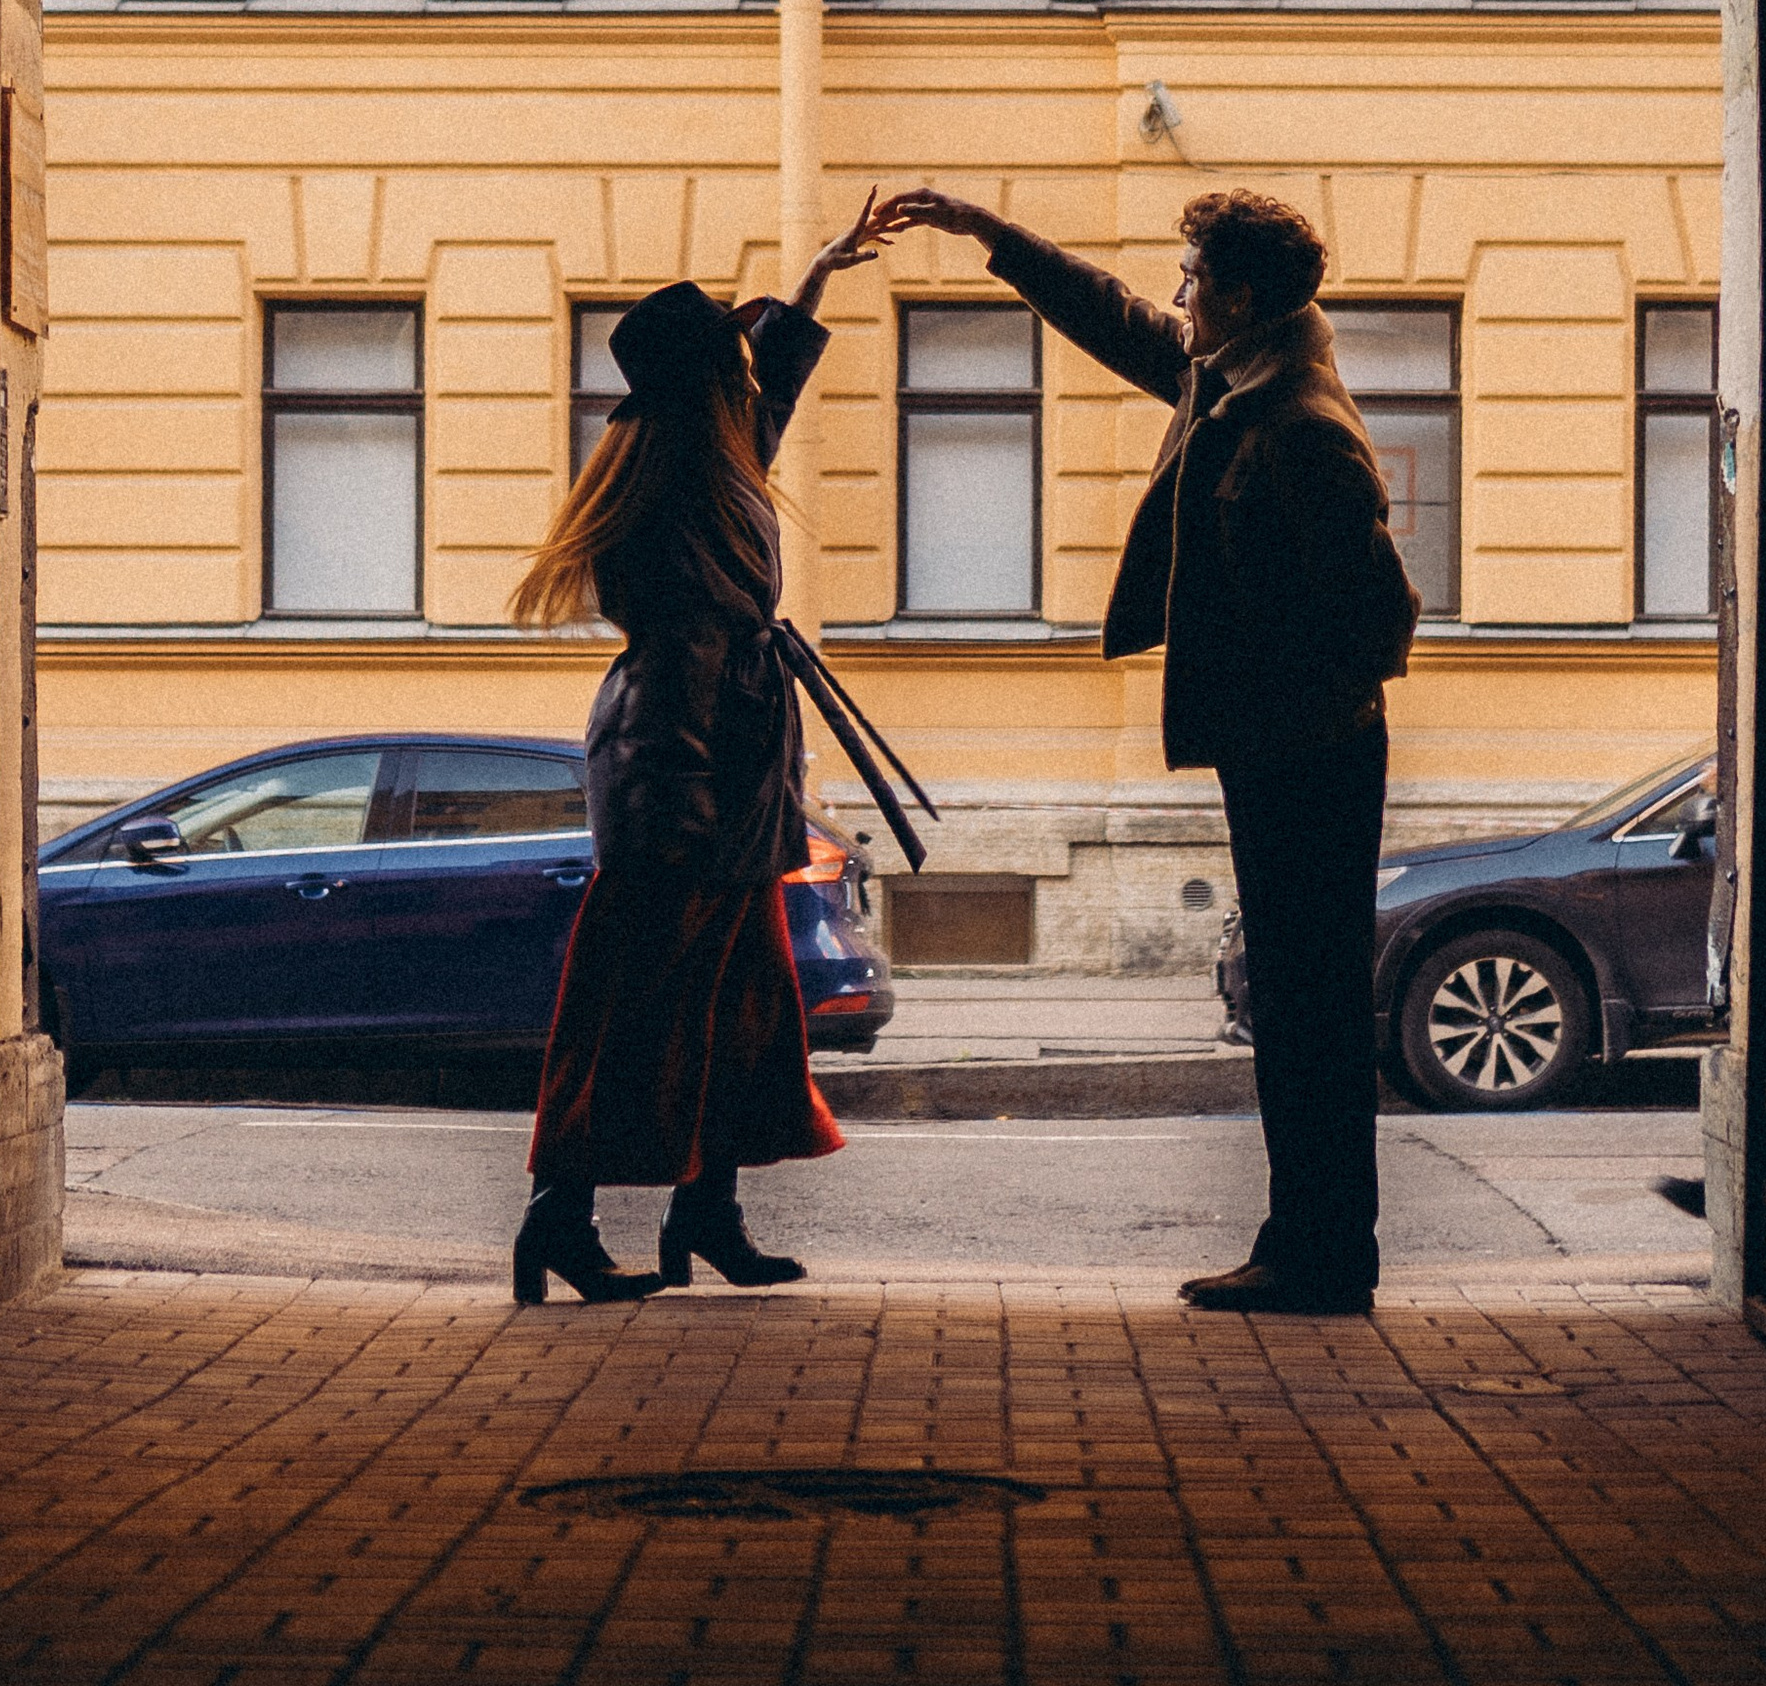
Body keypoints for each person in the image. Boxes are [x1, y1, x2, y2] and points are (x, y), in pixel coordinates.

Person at [877, 182, 1417, 1315]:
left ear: (1240, 294)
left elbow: (1378, 616)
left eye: (1194, 279)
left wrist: (1278, 693)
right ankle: (1308, 1243)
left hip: (1309, 753)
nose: (1179, 296)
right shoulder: (1236, 376)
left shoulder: (1301, 426)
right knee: (1296, 1000)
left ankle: (1320, 1254)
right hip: (1281, 744)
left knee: (1309, 1008)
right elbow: (1120, 319)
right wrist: (993, 236)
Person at [507, 193, 913, 1305]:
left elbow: (769, 390)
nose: (751, 371)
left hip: (725, 780)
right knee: (636, 1012)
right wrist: (686, 816)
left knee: (740, 1011)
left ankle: (710, 1216)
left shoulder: (702, 453)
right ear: (708, 383)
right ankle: (560, 1219)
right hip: (685, 789)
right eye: (735, 357)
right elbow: (679, 677)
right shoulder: (683, 484)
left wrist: (823, 274)